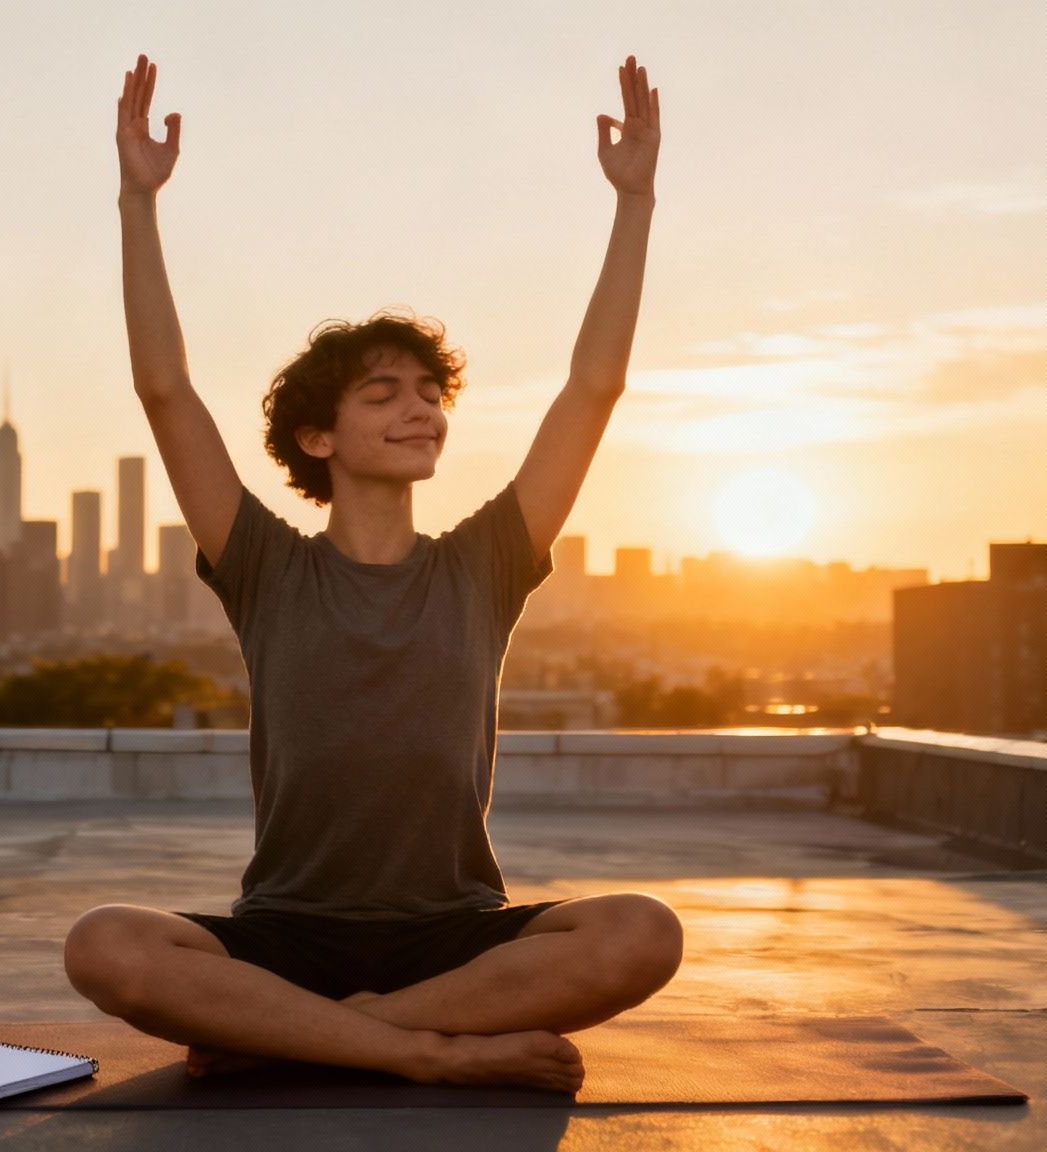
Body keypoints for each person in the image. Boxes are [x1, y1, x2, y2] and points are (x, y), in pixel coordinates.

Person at [63, 53, 677, 1094]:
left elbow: (593, 386)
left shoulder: (486, 562)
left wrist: (636, 201)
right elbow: (164, 390)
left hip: (454, 936)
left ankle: (299, 1035)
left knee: (641, 933)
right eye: (383, 393)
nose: (420, 409)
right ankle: (418, 1052)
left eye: (430, 393)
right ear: (316, 436)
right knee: (102, 944)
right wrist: (136, 201)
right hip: (283, 933)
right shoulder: (263, 566)